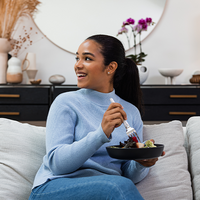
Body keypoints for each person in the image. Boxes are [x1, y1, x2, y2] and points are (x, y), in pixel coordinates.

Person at [29, 34, 164, 200]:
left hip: (106, 190)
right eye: (77, 58)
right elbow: (57, 165)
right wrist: (101, 133)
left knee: (118, 184)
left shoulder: (130, 112)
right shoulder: (66, 102)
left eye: (87, 58)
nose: (78, 65)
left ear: (111, 67)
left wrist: (140, 163)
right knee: (117, 185)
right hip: (54, 188)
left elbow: (129, 175)